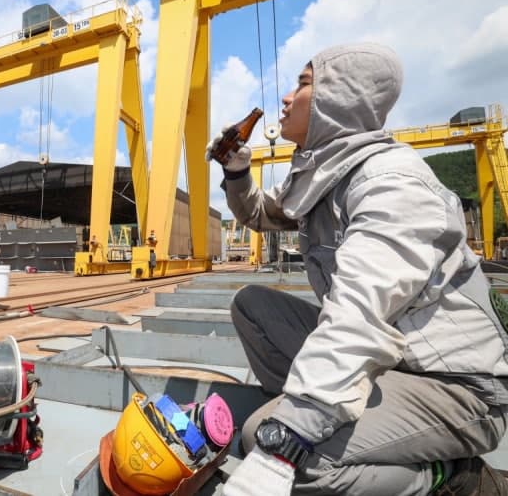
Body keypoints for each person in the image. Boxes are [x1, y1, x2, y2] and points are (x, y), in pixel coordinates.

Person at [207, 43, 508, 495]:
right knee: (253, 306)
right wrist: (236, 170)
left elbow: (359, 314)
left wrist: (286, 436)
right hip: (397, 357)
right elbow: (263, 214)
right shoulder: (327, 174)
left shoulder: (390, 182)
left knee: (276, 447)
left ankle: (452, 477)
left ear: (338, 99)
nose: (286, 98)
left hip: (455, 388)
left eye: (303, 84)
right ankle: (337, 423)